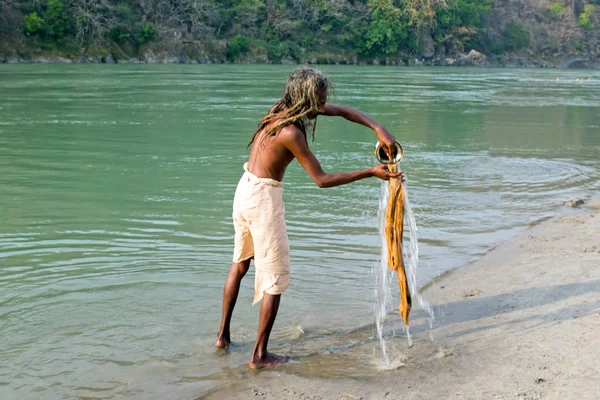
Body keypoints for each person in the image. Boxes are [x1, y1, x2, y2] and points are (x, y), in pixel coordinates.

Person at [214, 67, 402, 369]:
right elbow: (321, 179)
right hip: (263, 200)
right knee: (275, 279)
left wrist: (377, 127)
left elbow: (342, 111)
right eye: (319, 101)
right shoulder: (292, 133)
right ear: (307, 99)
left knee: (240, 264)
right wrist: (370, 172)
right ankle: (260, 356)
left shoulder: (280, 110)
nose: (322, 108)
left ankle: (222, 337)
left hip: (245, 189)